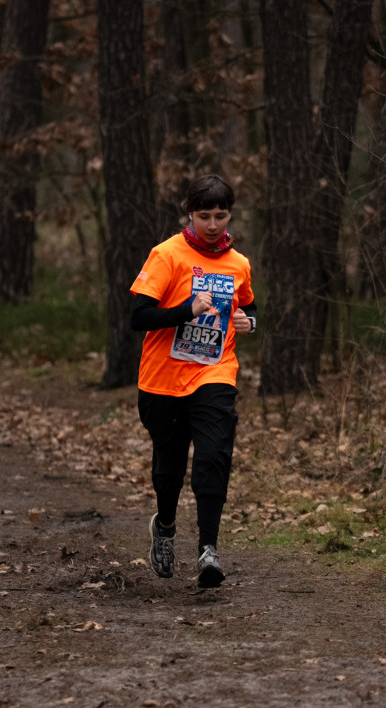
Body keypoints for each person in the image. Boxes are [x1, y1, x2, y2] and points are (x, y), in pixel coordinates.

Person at [129, 174, 257, 588]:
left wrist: (248, 322)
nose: (214, 224)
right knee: (169, 469)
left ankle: (208, 551)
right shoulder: (167, 254)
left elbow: (251, 309)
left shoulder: (238, 263)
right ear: (190, 213)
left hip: (214, 372)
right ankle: (165, 527)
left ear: (230, 215)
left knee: (213, 456)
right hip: (163, 380)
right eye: (205, 216)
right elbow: (139, 317)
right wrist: (185, 310)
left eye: (221, 215)